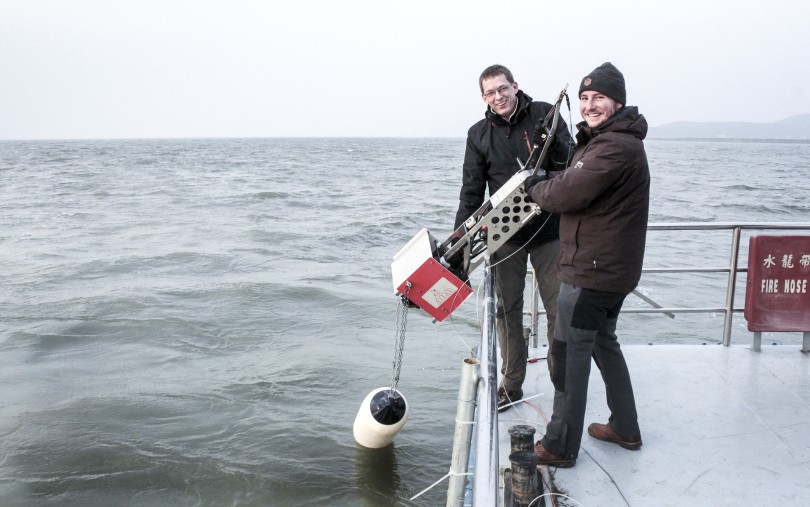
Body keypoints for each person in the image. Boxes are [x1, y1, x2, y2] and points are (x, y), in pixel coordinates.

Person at [524, 62, 650, 467]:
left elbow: (567, 193)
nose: (590, 105)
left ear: (618, 101)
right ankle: (625, 426)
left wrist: (535, 185)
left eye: (598, 98)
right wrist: (553, 178)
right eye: (584, 98)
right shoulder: (610, 140)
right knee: (602, 343)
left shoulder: (614, 146)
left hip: (590, 272)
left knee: (566, 358)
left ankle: (559, 446)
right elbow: (577, 181)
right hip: (612, 271)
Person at [454, 64, 574, 412]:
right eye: (490, 92)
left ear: (515, 86)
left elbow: (572, 162)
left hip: (550, 229)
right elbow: (471, 192)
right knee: (507, 311)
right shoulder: (478, 134)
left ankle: (562, 384)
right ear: (483, 98)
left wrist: (545, 169)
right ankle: (511, 382)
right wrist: (461, 239)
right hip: (504, 236)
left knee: (559, 309)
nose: (498, 97)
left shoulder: (543, 113)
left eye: (502, 88)